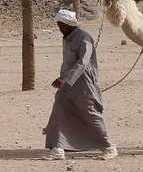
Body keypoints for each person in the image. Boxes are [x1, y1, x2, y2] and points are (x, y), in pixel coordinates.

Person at [42, 9, 117, 161]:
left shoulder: (84, 37)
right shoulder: (67, 37)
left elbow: (83, 62)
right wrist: (64, 79)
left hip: (83, 82)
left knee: (90, 112)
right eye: (58, 25)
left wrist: (65, 78)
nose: (60, 29)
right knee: (59, 110)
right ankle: (58, 148)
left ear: (70, 24)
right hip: (67, 84)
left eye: (62, 25)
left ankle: (108, 146)